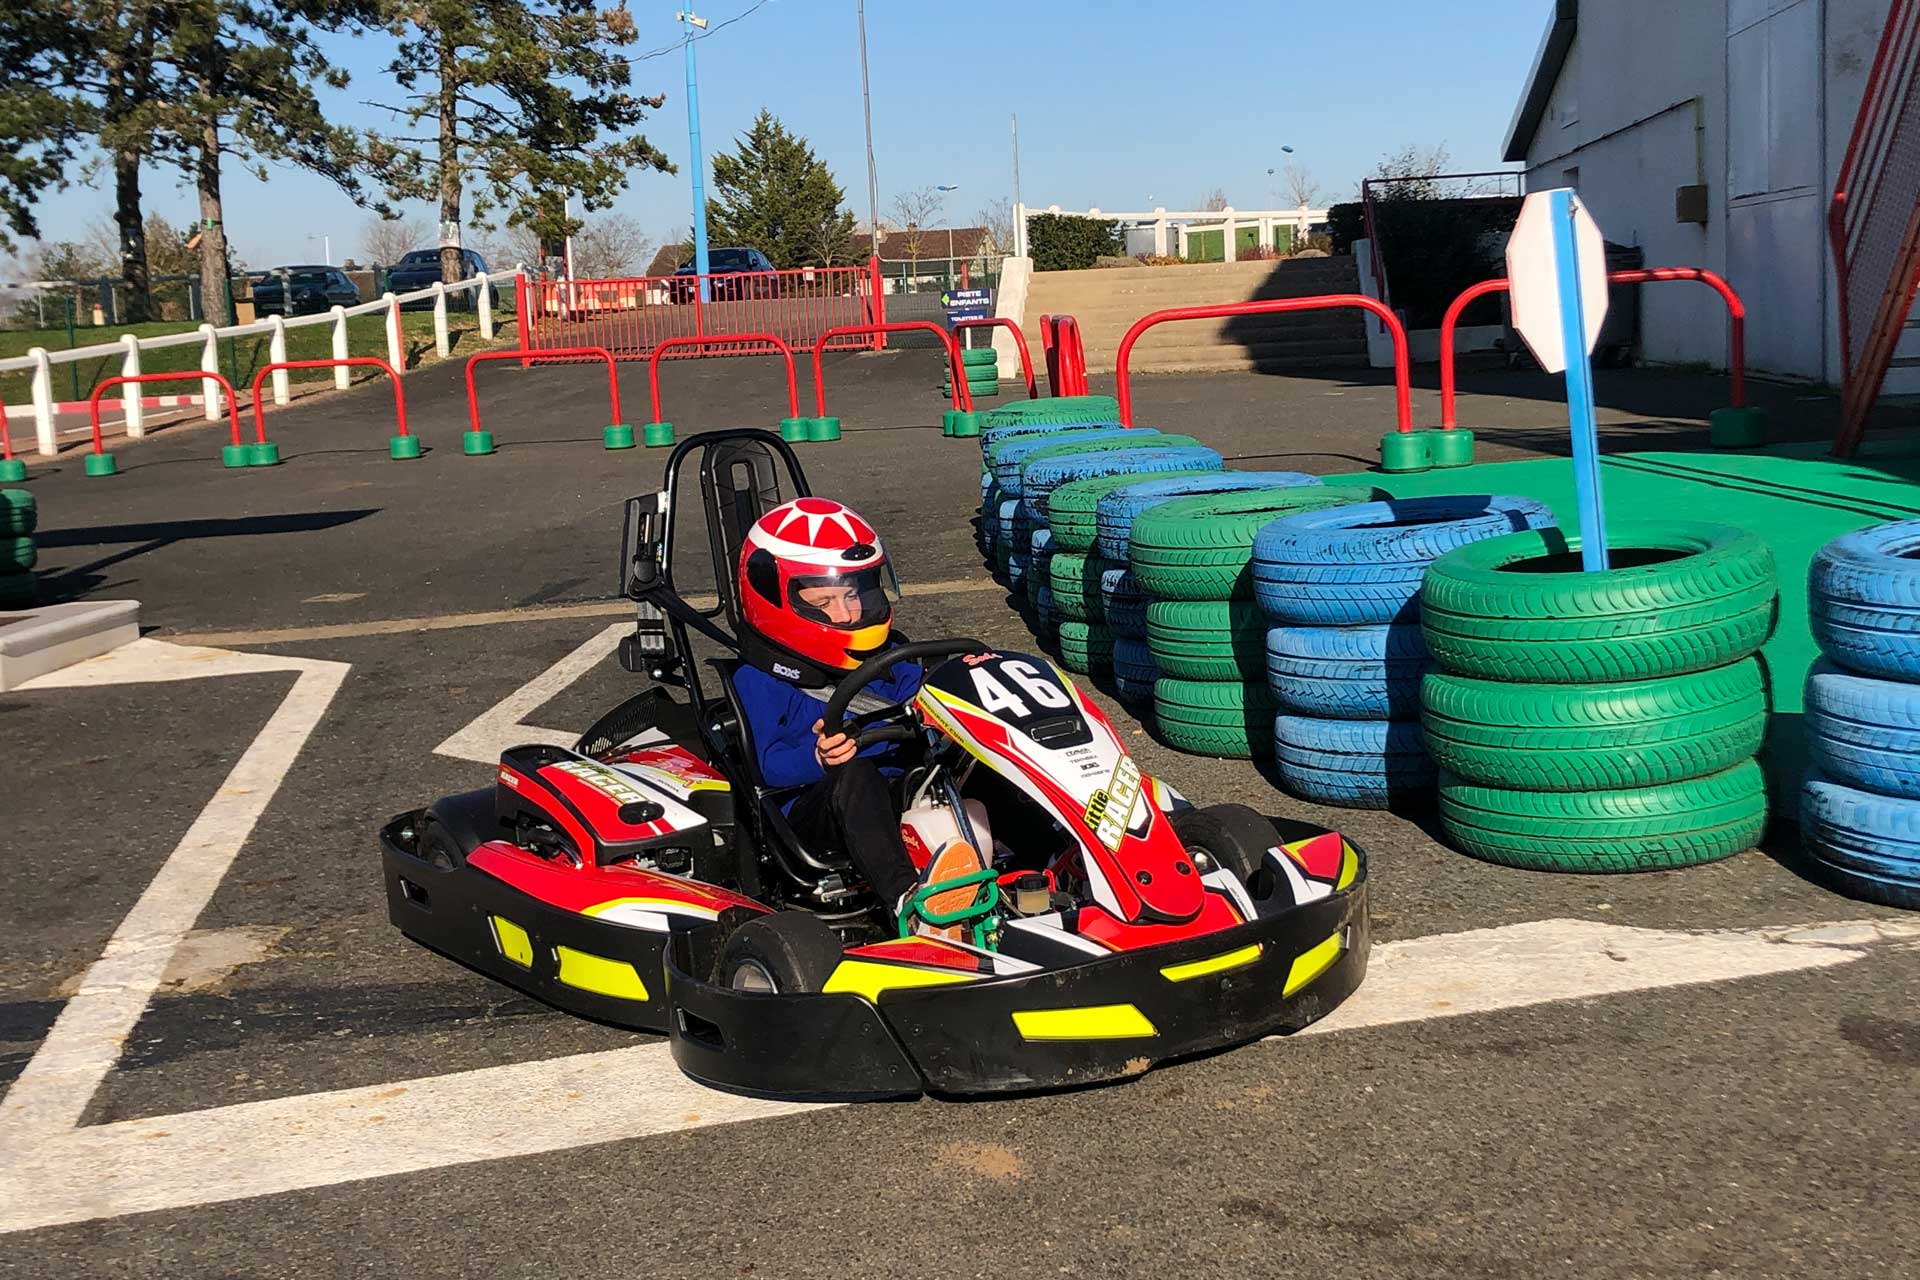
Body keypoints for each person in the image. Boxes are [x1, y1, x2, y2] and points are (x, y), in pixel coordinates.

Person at [730, 497, 981, 937]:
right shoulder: (760, 679)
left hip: (900, 787)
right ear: (777, 600)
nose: (847, 613)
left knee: (981, 761)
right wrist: (819, 756)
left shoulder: (889, 654)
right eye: (825, 600)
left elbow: (918, 691)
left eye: (853, 594)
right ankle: (913, 904)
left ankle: (1061, 858)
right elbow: (765, 764)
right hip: (815, 812)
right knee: (856, 775)